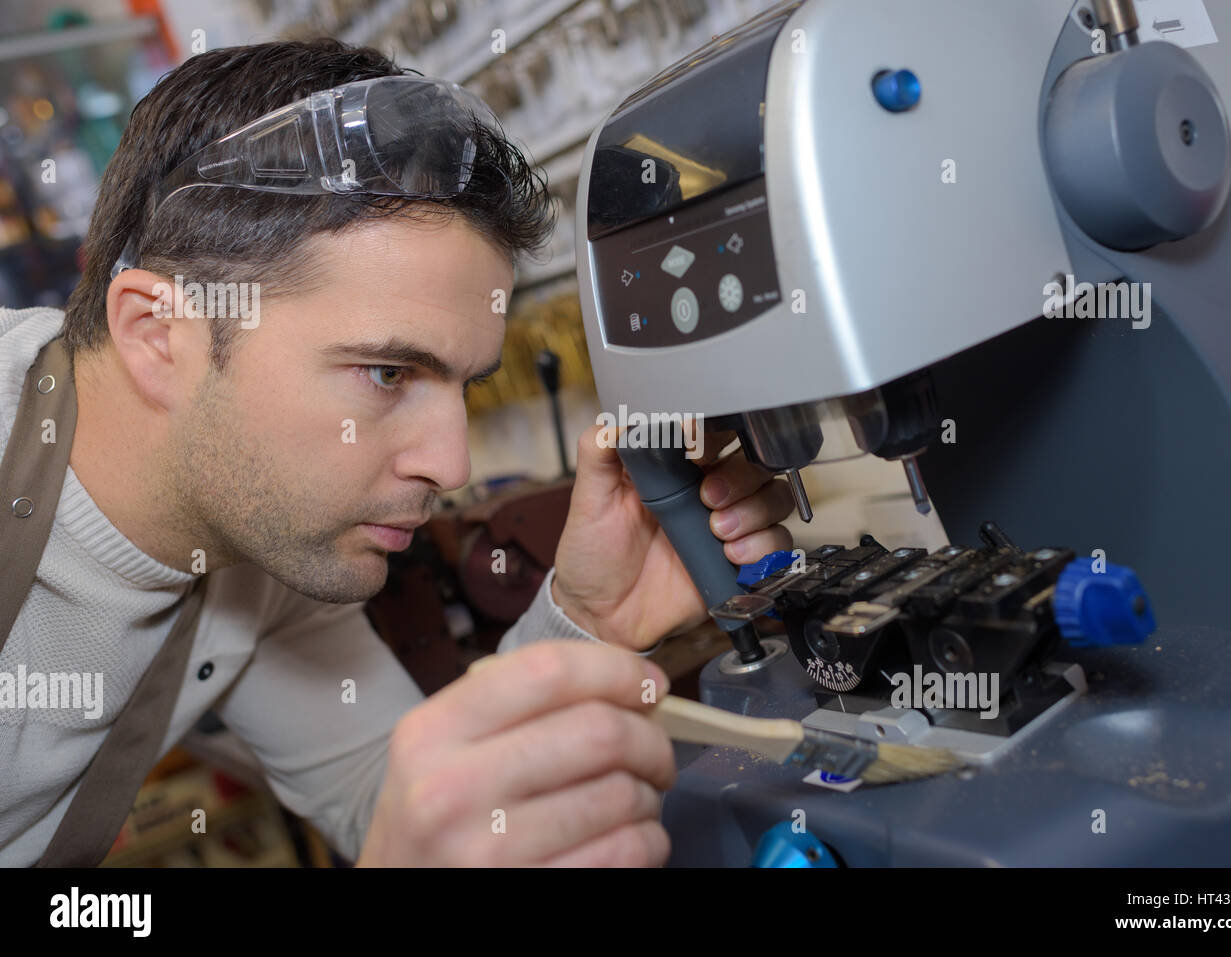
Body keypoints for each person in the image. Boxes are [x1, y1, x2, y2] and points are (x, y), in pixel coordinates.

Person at [0, 39, 793, 867]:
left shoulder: (263, 545)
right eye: (386, 371)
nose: (451, 465)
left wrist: (590, 619)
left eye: (465, 386)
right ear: (158, 336)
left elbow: (395, 805)